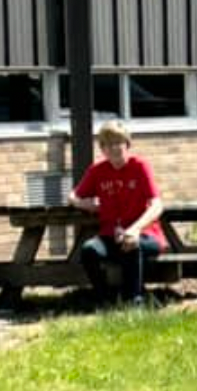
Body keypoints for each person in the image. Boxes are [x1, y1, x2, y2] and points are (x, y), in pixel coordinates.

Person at [67, 121, 166, 306]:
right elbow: (73, 195)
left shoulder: (140, 166)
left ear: (126, 144)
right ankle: (104, 299)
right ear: (102, 148)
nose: (113, 148)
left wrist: (135, 229)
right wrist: (82, 203)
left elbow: (157, 205)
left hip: (146, 235)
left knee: (130, 243)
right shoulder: (97, 170)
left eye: (118, 142)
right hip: (109, 236)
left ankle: (134, 301)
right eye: (107, 144)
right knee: (89, 250)